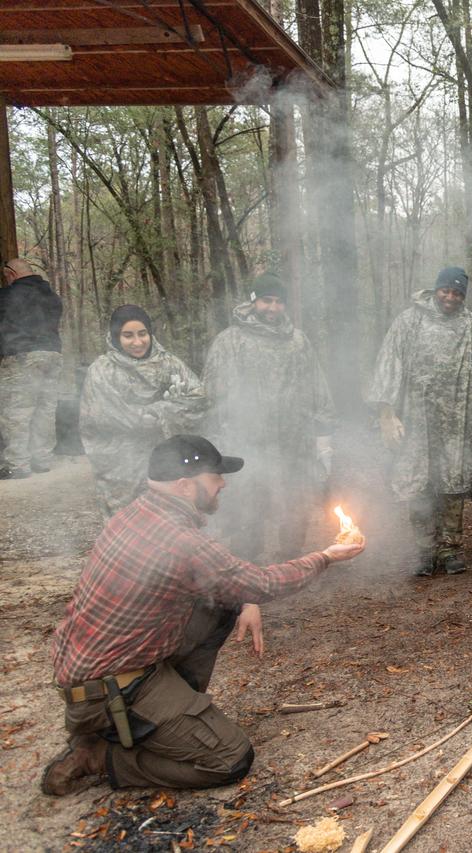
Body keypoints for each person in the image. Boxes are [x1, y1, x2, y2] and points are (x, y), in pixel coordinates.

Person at [41, 435, 364, 796]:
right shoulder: (180, 541)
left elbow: (230, 583)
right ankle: (100, 757)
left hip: (91, 676)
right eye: (214, 478)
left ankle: (165, 719)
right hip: (110, 692)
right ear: (184, 486)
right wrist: (325, 557)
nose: (222, 484)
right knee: (230, 758)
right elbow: (260, 584)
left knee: (223, 603)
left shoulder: (135, 514)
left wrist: (244, 600)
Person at [203, 273, 335, 562]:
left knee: (295, 506)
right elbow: (212, 400)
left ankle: (290, 564)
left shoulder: (298, 342)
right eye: (266, 300)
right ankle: (247, 568)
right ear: (253, 301)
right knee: (248, 507)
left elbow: (318, 392)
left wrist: (323, 441)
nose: (273, 308)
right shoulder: (230, 342)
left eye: (278, 302)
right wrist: (217, 445)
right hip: (247, 444)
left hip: (294, 444)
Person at [368, 267, 472, 576]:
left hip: (457, 421)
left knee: (452, 483)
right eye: (446, 290)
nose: (451, 297)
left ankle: (450, 548)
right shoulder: (410, 321)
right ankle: (424, 550)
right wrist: (387, 414)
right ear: (437, 290)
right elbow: (388, 364)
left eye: (457, 293)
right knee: (419, 483)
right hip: (416, 419)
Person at [80, 305, 207, 518]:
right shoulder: (102, 371)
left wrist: (158, 411)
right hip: (121, 466)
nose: (137, 342)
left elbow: (199, 398)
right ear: (116, 336)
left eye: (142, 334)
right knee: (128, 522)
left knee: (169, 518)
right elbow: (111, 418)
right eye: (128, 335)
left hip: (166, 459)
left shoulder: (168, 363)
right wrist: (167, 411)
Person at [0, 259, 63, 479]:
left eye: (5, 276)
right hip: (52, 355)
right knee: (44, 410)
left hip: (22, 356)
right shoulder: (52, 296)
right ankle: (42, 460)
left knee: (17, 412)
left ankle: (17, 465)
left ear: (10, 274)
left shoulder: (7, 296)